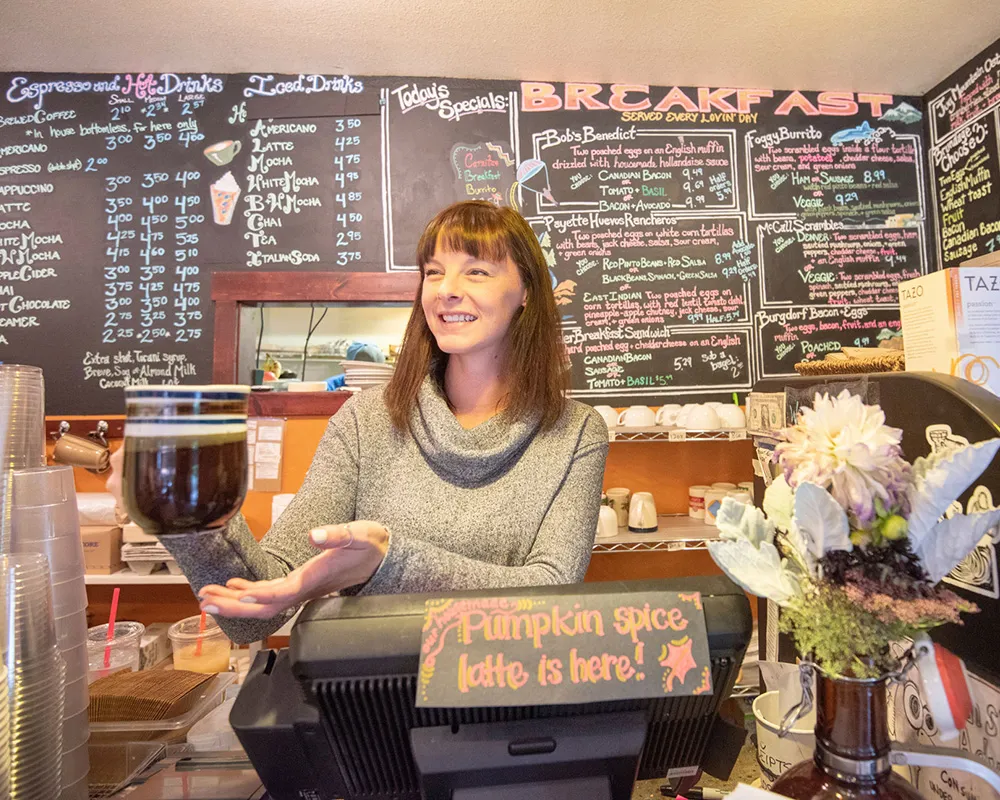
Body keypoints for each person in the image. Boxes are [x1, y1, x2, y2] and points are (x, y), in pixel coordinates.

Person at [108, 201, 609, 644]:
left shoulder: (576, 432)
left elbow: (550, 595)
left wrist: (387, 562)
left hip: (504, 703)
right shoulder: (366, 419)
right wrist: (185, 512)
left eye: (476, 271)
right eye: (434, 272)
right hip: (365, 710)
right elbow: (252, 615)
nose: (446, 291)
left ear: (526, 292)